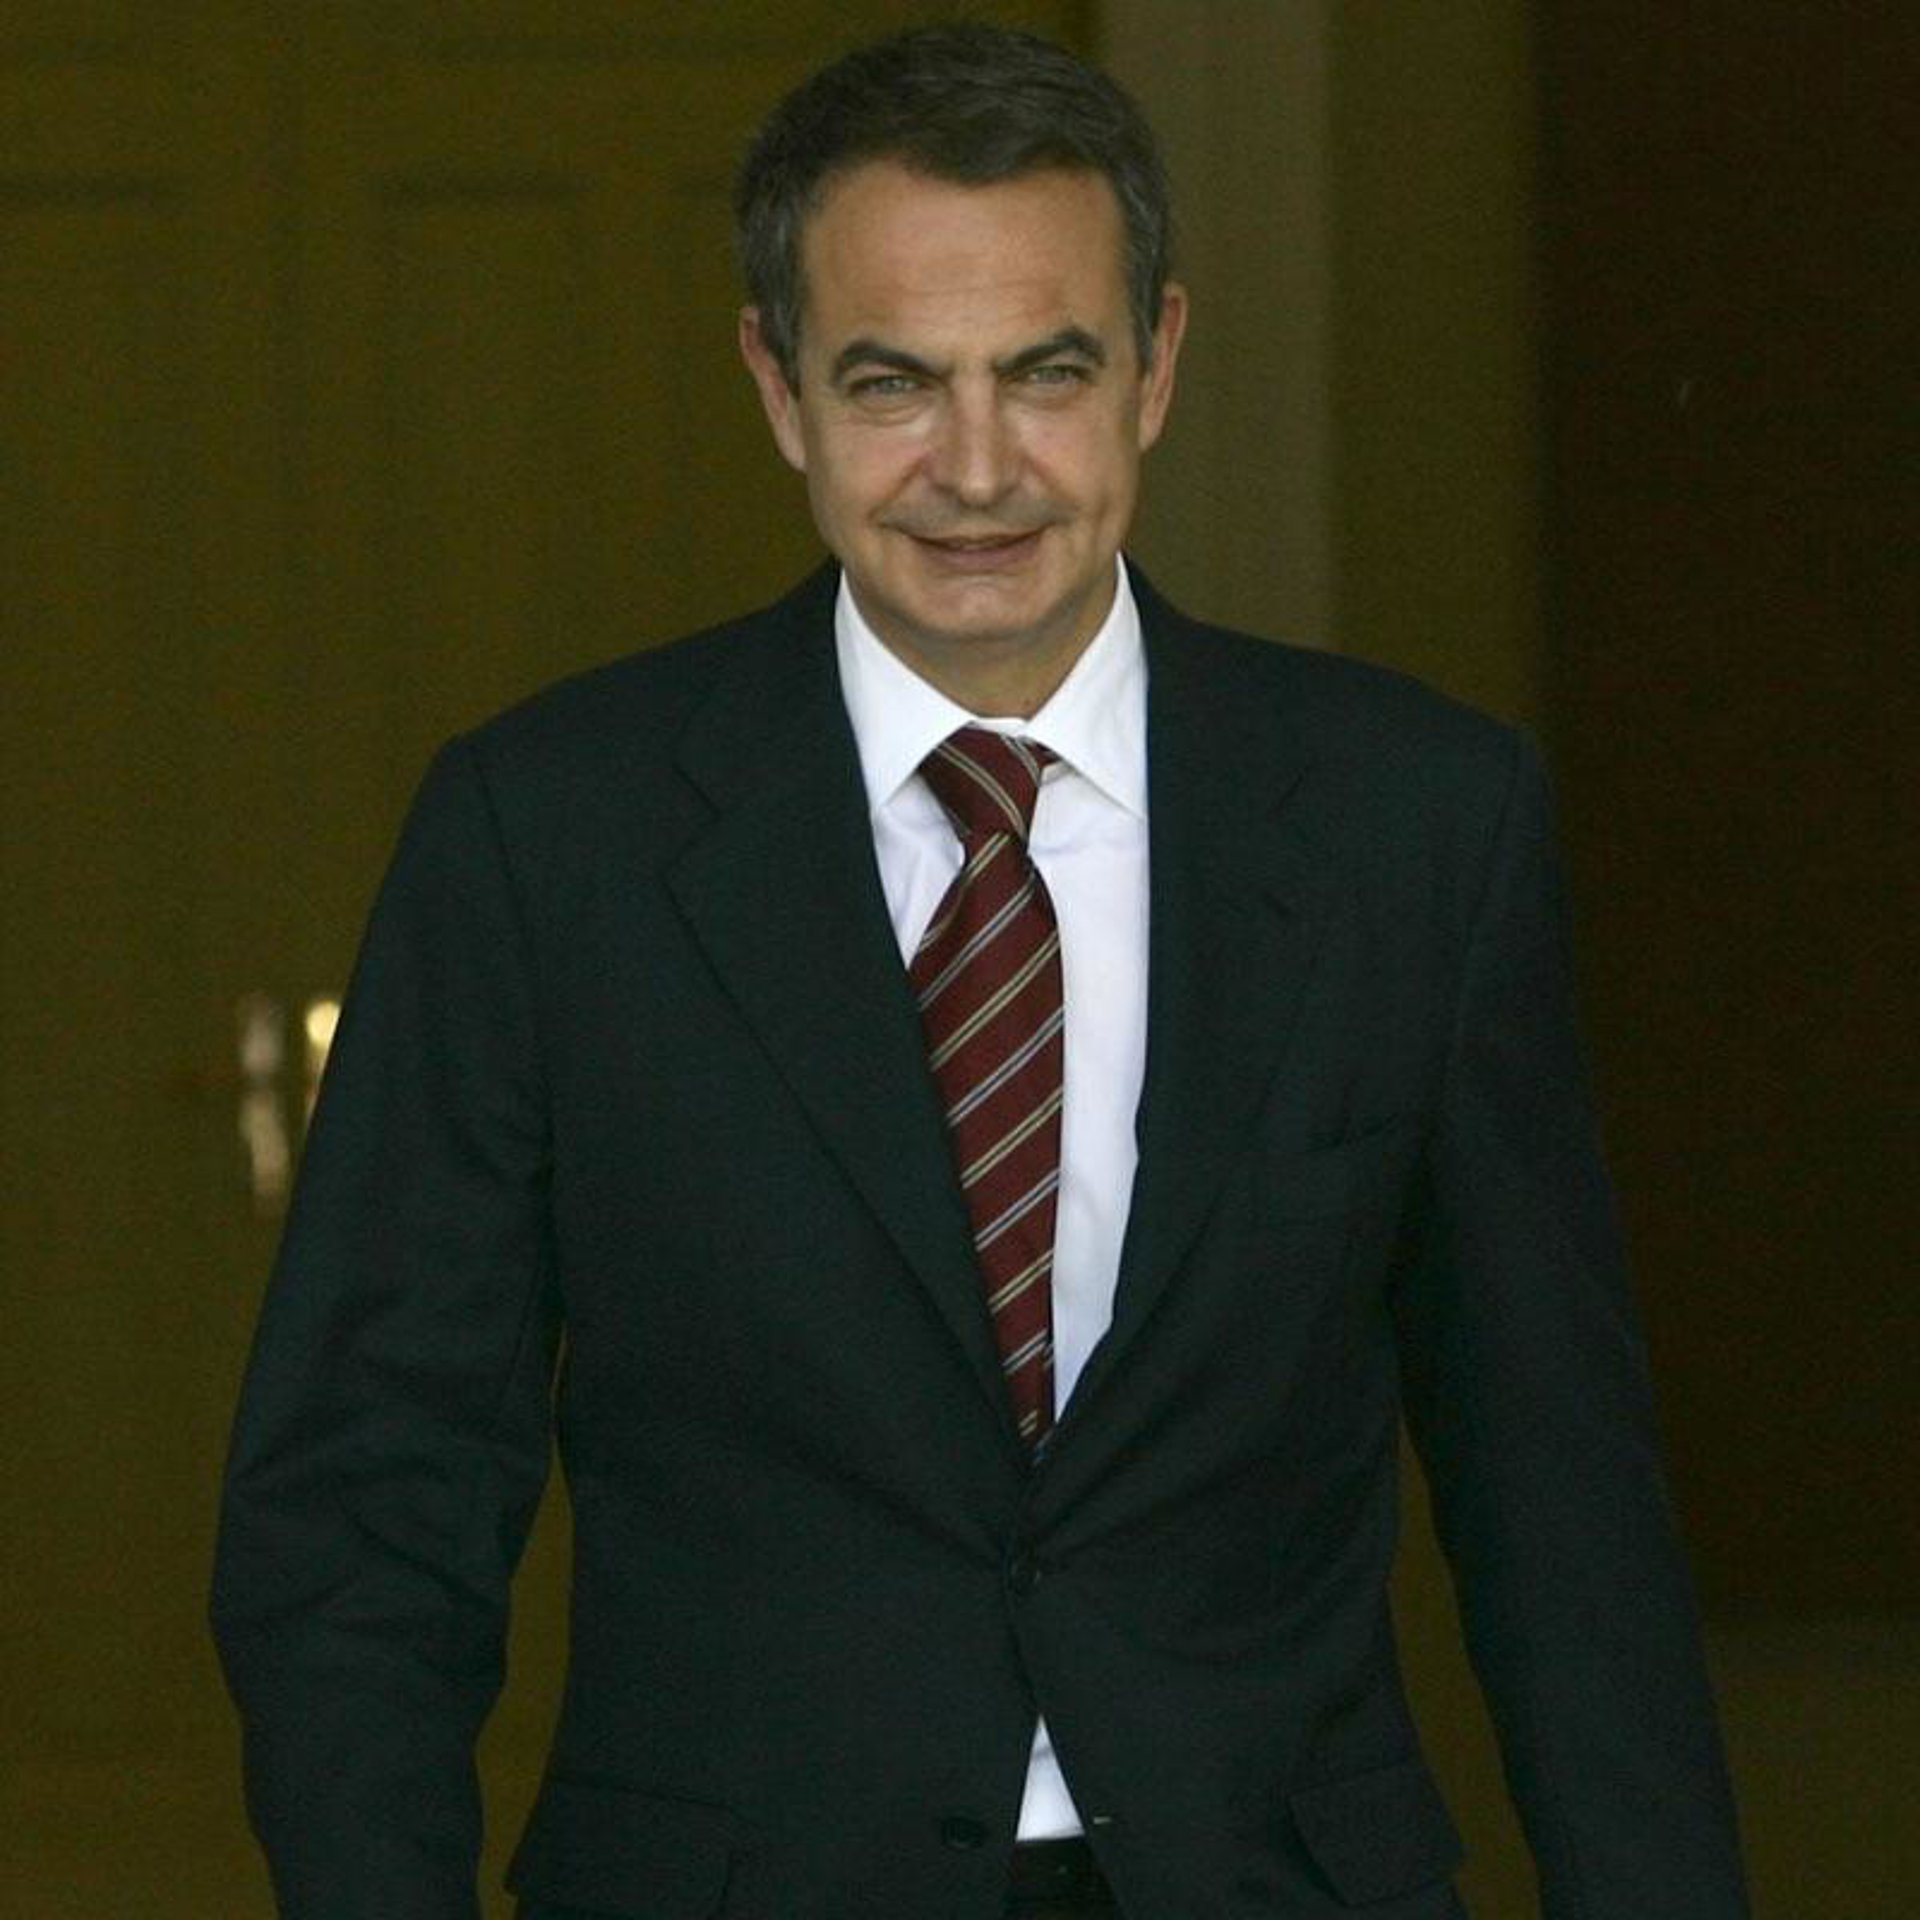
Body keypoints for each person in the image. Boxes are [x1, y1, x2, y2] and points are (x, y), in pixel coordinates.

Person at [212, 24, 1749, 1920]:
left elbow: (1560, 1500)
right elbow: (367, 1505)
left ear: (1156, 366)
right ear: (777, 387)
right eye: (892, 383)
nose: (975, 469)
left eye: (1046, 371)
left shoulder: (1416, 827)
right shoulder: (547, 839)